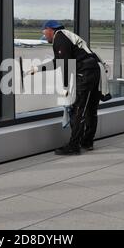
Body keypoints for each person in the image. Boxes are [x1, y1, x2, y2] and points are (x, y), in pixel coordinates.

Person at [26, 20, 103, 156]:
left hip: (85, 72)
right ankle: (87, 142)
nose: (44, 36)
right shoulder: (68, 35)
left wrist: (66, 86)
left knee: (78, 109)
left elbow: (65, 63)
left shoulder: (59, 38)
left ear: (50, 29)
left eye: (44, 33)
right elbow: (58, 61)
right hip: (95, 71)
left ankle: (74, 146)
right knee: (91, 109)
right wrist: (37, 68)